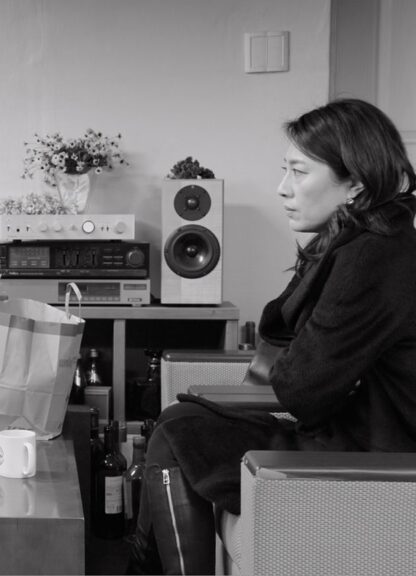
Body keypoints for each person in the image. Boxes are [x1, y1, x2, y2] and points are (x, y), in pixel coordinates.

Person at [127, 98, 416, 574]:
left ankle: (142, 565)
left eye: (300, 172)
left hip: (377, 457)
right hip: (354, 431)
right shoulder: (363, 241)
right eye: (285, 170)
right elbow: (296, 353)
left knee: (176, 433)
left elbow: (303, 389)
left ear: (356, 183)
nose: (283, 189)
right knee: (176, 421)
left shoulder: (373, 257)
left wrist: (302, 366)